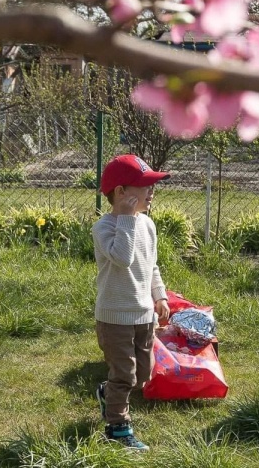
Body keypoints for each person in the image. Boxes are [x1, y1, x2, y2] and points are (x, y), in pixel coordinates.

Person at [92, 154, 171, 451]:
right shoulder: (105, 227)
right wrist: (125, 217)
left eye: (152, 186)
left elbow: (151, 265)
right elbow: (123, 259)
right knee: (125, 375)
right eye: (144, 186)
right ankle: (117, 428)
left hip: (143, 315)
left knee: (142, 376)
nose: (151, 192)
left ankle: (108, 391)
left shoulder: (147, 225)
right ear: (121, 192)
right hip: (114, 317)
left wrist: (159, 295)